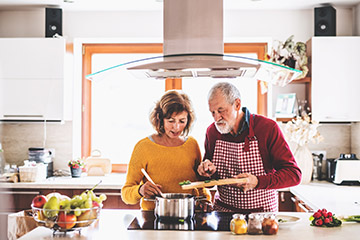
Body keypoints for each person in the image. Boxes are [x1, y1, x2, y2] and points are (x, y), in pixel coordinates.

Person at [197, 82, 301, 213]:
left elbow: (293, 175)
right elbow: (210, 178)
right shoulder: (212, 132)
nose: (216, 118)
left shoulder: (267, 128)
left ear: (237, 104)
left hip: (262, 215)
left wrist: (257, 181)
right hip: (223, 212)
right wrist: (207, 172)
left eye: (221, 110)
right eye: (212, 112)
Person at [121, 90, 211, 210]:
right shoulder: (143, 147)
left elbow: (199, 186)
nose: (176, 127)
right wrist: (140, 190)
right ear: (160, 119)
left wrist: (205, 200)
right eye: (171, 121)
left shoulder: (192, 144)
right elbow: (126, 194)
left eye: (182, 121)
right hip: (154, 217)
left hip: (188, 213)